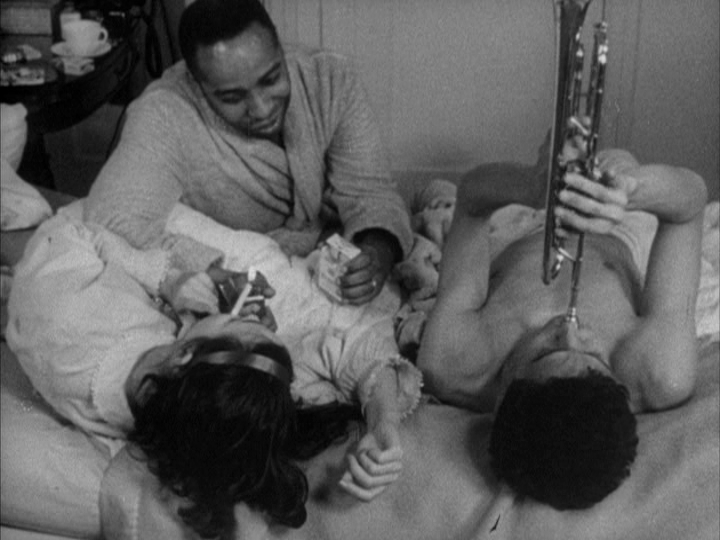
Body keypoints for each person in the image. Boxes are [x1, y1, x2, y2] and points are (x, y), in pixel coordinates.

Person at [416, 146, 708, 510]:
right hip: (618, 226)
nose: (570, 327)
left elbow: (473, 198)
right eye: (592, 353)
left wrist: (532, 185)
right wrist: (631, 189)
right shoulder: (660, 373)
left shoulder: (453, 361)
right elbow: (691, 202)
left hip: (512, 227)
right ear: (621, 387)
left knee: (447, 193)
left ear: (503, 392)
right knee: (613, 161)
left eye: (547, 351)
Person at [83, 0, 413, 312]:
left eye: (271, 79)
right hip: (249, 273)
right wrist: (208, 266)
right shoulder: (164, 113)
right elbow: (111, 219)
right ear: (197, 84)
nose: (262, 108)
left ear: (282, 52)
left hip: (329, 259)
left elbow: (370, 192)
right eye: (231, 97)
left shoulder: (330, 80)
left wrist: (377, 252)